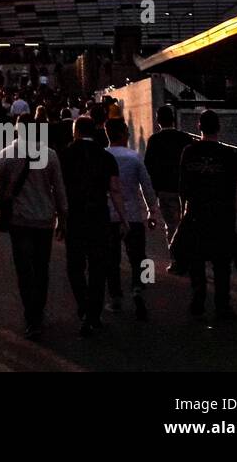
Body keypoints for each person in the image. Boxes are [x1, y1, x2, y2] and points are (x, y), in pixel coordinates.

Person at [0, 119, 67, 339]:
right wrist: (62, 217)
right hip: (44, 219)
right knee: (41, 267)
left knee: (24, 270)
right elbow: (59, 189)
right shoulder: (50, 155)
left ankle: (31, 315)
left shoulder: (6, 154)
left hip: (19, 220)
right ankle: (39, 310)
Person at [60, 115, 127, 337]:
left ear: (76, 131)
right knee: (98, 265)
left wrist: (59, 217)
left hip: (75, 215)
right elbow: (115, 190)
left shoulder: (65, 155)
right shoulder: (105, 156)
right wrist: (123, 218)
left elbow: (58, 189)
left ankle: (83, 305)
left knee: (75, 265)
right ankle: (94, 311)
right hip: (99, 215)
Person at [179, 109, 237, 322]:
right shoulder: (228, 154)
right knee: (222, 263)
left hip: (196, 211)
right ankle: (222, 305)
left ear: (199, 127)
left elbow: (183, 186)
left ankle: (198, 301)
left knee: (197, 259)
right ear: (218, 128)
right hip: (222, 213)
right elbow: (235, 186)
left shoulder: (189, 152)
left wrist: (184, 213)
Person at [104, 117, 157, 320]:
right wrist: (152, 210)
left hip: (110, 215)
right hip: (134, 214)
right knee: (139, 256)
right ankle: (139, 288)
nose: (128, 134)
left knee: (112, 258)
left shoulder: (103, 156)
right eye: (126, 131)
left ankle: (115, 298)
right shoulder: (134, 157)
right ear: (122, 134)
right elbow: (146, 185)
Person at [143, 106, 193, 272]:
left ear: (158, 121)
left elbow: (149, 167)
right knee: (187, 225)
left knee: (171, 225)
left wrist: (152, 197)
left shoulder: (154, 140)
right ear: (173, 119)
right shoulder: (185, 138)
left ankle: (176, 260)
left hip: (165, 189)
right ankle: (189, 258)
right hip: (185, 190)